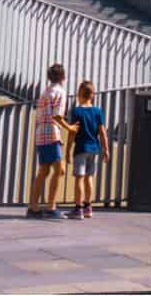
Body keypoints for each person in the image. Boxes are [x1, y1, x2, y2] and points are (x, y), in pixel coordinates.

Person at [26, 63, 69, 219]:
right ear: (63, 77)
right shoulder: (60, 92)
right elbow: (58, 116)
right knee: (59, 170)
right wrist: (69, 128)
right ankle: (51, 207)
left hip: (41, 134)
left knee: (44, 171)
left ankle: (33, 207)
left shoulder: (45, 92)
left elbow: (40, 116)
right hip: (51, 133)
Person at [62, 81, 110, 220]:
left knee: (79, 178)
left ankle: (78, 209)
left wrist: (68, 150)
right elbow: (102, 132)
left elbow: (72, 133)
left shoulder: (77, 111)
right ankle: (88, 207)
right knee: (89, 178)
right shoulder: (97, 111)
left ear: (79, 95)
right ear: (92, 96)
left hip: (81, 148)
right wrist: (106, 149)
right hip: (94, 149)